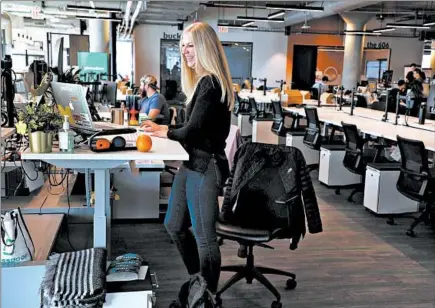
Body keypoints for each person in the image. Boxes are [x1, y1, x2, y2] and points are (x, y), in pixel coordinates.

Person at [141, 21, 234, 293]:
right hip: (191, 162)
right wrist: (167, 130)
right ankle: (199, 282)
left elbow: (192, 130)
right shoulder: (201, 83)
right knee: (174, 225)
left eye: (190, 45)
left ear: (205, 47)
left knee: (205, 239)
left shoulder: (210, 83)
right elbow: (192, 127)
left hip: (205, 165)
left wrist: (164, 131)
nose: (185, 51)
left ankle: (208, 296)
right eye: (182, 46)